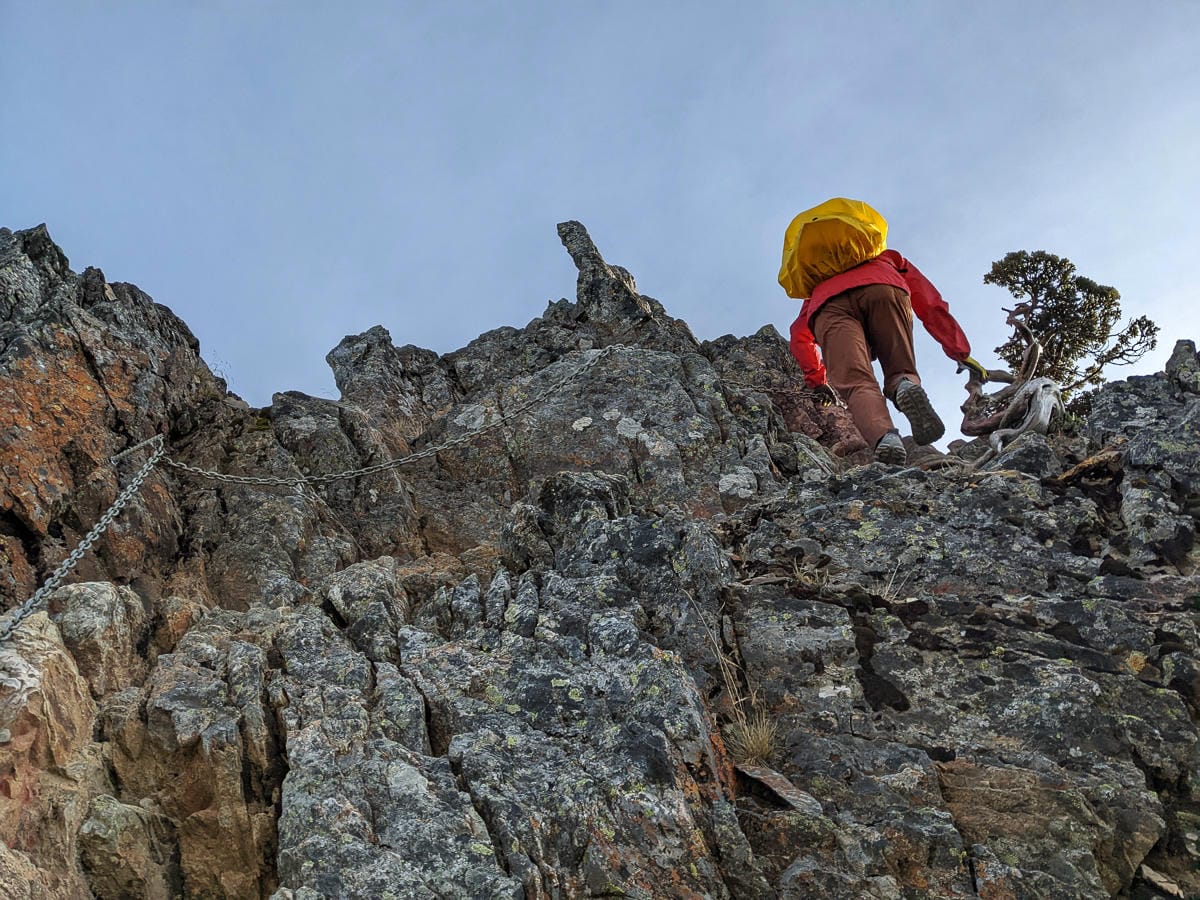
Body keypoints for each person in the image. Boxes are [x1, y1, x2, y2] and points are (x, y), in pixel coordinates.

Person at [787, 249, 988, 464]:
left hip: (829, 306)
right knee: (900, 368)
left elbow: (799, 335)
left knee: (857, 385)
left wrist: (817, 381)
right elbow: (930, 302)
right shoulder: (886, 256)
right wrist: (959, 351)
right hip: (883, 285)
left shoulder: (818, 285)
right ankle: (904, 385)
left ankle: (885, 438)